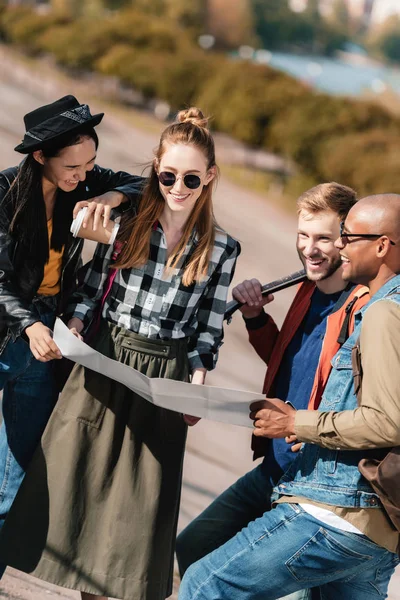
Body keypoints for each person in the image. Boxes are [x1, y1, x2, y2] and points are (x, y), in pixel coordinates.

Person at [0, 107, 240, 600]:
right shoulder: (118, 219)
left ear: (210, 178)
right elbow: (89, 290)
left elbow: (209, 326)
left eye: (191, 178)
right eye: (168, 174)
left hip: (156, 374)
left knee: (126, 519)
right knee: (66, 494)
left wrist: (197, 377)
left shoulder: (220, 247)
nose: (177, 187)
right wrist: (62, 324)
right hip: (82, 352)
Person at [178, 193, 400, 599]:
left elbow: (385, 419)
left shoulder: (379, 311)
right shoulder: (322, 294)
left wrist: (294, 422)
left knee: (206, 586)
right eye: (304, 235)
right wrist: (257, 319)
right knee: (197, 550)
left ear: (382, 245)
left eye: (345, 237)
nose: (338, 246)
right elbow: (293, 363)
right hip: (359, 516)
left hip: (331, 498)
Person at [0, 94, 142, 573]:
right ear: (40, 155)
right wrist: (29, 323)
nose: (82, 175)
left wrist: (112, 196)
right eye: (73, 166)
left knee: (16, 476)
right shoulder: (2, 195)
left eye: (91, 165)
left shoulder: (81, 184)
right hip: (11, 331)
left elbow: (148, 185)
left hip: (48, 341)